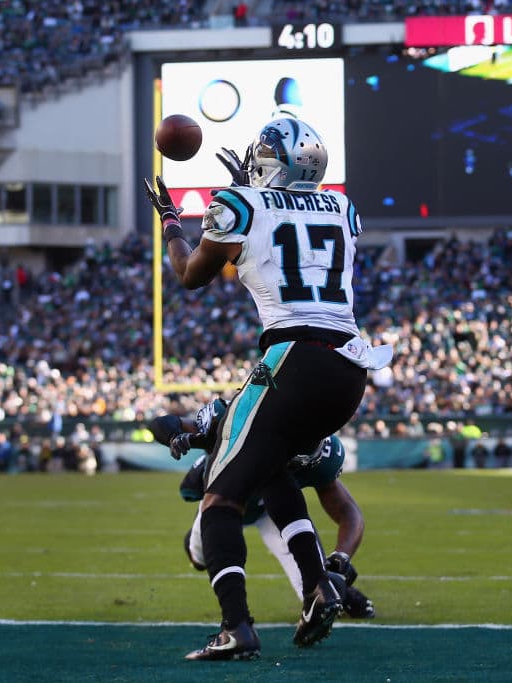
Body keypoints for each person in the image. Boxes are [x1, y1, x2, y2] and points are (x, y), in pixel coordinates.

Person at [145, 117, 391, 660]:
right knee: (276, 475)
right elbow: (289, 238)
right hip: (350, 367)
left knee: (220, 500)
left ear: (272, 162)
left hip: (295, 359)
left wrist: (170, 222)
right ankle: (318, 589)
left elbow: (191, 275)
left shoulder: (240, 202)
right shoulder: (344, 210)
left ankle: (237, 626)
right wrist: (250, 193)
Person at [149, 400, 375, 619]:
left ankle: (341, 594)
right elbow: (164, 423)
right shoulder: (235, 419)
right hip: (223, 497)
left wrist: (341, 556)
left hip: (274, 510)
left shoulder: (322, 456)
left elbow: (348, 512)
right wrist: (174, 436)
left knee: (316, 589)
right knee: (199, 559)